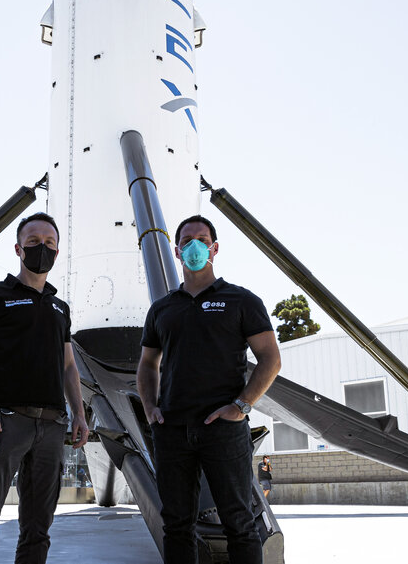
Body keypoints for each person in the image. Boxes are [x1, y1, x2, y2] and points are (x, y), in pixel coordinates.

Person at [137, 215, 282, 564]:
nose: (195, 246)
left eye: (202, 239)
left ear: (215, 248)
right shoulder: (162, 308)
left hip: (224, 429)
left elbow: (270, 360)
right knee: (176, 525)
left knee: (239, 522)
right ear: (177, 251)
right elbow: (146, 365)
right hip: (172, 430)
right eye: (187, 241)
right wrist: (150, 408)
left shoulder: (241, 300)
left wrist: (241, 407)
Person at [0, 212, 90, 564]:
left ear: (56, 253)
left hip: (52, 428)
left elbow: (69, 366)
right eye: (33, 243)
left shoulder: (60, 308)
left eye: (48, 244)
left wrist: (79, 413)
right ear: (18, 248)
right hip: (3, 424)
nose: (41, 248)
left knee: (38, 529)